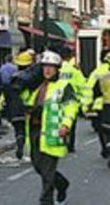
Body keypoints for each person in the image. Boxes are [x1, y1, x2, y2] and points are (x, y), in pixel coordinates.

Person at [24, 51, 78, 205]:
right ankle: (62, 183)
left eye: (51, 67)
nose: (47, 70)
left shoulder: (64, 86)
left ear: (57, 69)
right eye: (45, 67)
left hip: (52, 132)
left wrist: (66, 124)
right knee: (38, 166)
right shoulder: (36, 85)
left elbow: (71, 106)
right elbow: (26, 100)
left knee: (47, 171)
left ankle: (46, 201)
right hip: (34, 130)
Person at [2, 51, 34, 160]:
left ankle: (20, 141)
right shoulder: (31, 78)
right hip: (29, 106)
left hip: (15, 107)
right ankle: (31, 151)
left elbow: (7, 93)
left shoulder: (13, 78)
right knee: (31, 130)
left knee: (19, 128)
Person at [82, 49, 110, 159]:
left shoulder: (96, 72)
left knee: (102, 130)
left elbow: (89, 89)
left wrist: (86, 106)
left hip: (100, 105)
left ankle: (105, 149)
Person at [59, 47, 86, 153]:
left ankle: (61, 141)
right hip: (71, 100)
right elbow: (82, 85)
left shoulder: (57, 70)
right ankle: (70, 145)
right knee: (70, 122)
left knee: (59, 122)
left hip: (57, 99)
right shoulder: (74, 70)